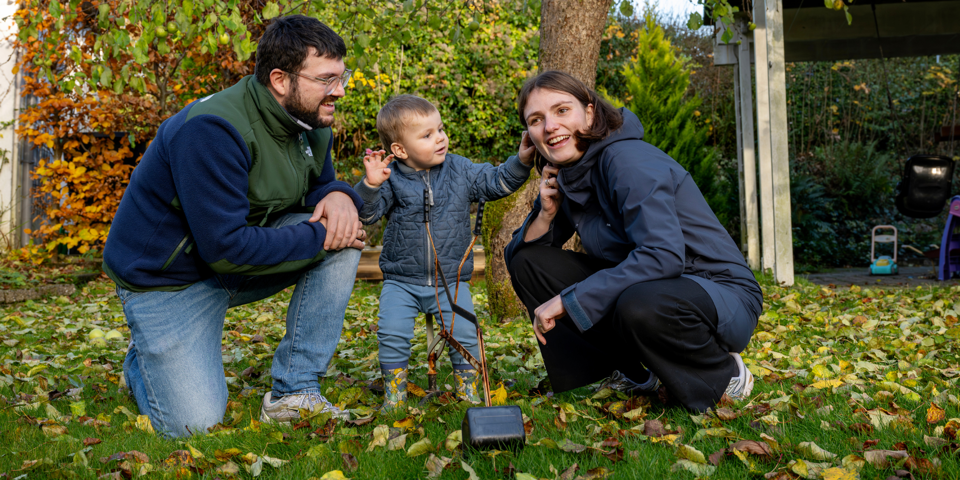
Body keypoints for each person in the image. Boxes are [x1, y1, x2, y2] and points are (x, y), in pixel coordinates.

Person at [102, 15, 366, 437]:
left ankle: (294, 392)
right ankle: (141, 361)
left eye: (342, 76)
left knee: (342, 240)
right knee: (193, 425)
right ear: (280, 79)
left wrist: (340, 196)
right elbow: (226, 248)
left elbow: (317, 187)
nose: (339, 90)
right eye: (327, 79)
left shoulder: (311, 121)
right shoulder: (213, 131)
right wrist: (325, 233)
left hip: (231, 261)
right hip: (166, 280)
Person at [504, 71, 763, 412]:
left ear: (591, 113)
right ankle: (633, 373)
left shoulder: (626, 160)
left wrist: (570, 300)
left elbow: (663, 256)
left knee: (638, 302)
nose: (550, 126)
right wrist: (546, 215)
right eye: (536, 119)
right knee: (530, 263)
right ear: (530, 134)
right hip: (648, 288)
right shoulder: (570, 174)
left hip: (716, 292)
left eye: (562, 110)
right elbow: (519, 258)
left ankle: (723, 373)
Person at [354, 94, 533, 409]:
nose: (440, 138)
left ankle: (468, 392)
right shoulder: (390, 177)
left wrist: (521, 161)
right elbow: (367, 215)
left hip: (450, 280)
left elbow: (496, 182)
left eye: (440, 129)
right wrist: (369, 186)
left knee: (464, 333)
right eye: (427, 135)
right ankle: (394, 397)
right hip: (401, 280)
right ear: (399, 150)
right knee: (391, 333)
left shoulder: (460, 169)